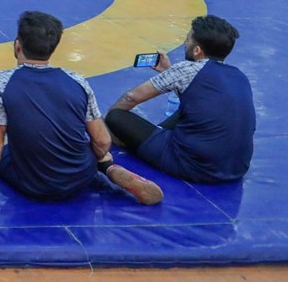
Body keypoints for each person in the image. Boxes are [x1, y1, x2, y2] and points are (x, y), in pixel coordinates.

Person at [0, 10, 164, 214]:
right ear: (53, 47)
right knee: (88, 147)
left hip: (36, 184)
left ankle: (95, 166)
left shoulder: (0, 83)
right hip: (82, 174)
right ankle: (106, 168)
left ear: (17, 45)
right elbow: (102, 140)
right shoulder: (77, 81)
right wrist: (100, 158)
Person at [105, 16, 255, 183]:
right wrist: (168, 72)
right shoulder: (240, 77)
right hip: (236, 168)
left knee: (116, 116)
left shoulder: (187, 69)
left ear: (197, 50)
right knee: (190, 109)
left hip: (192, 166)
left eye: (188, 39)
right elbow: (200, 99)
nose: (185, 43)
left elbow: (131, 97)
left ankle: (126, 145)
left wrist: (106, 127)